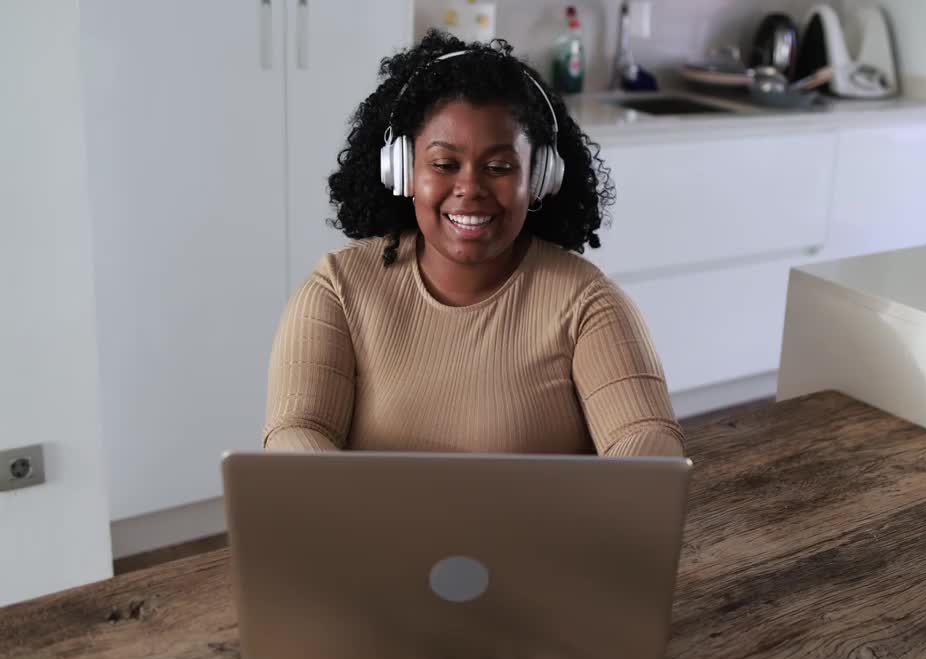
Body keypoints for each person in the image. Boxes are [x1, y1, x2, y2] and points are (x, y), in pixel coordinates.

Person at [262, 30, 684, 457]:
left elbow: (644, 437)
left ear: (539, 179)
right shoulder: (338, 288)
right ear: (403, 172)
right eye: (444, 164)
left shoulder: (590, 304)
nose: (470, 188)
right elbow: (297, 428)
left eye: (499, 167)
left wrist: (642, 461)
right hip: (370, 526)